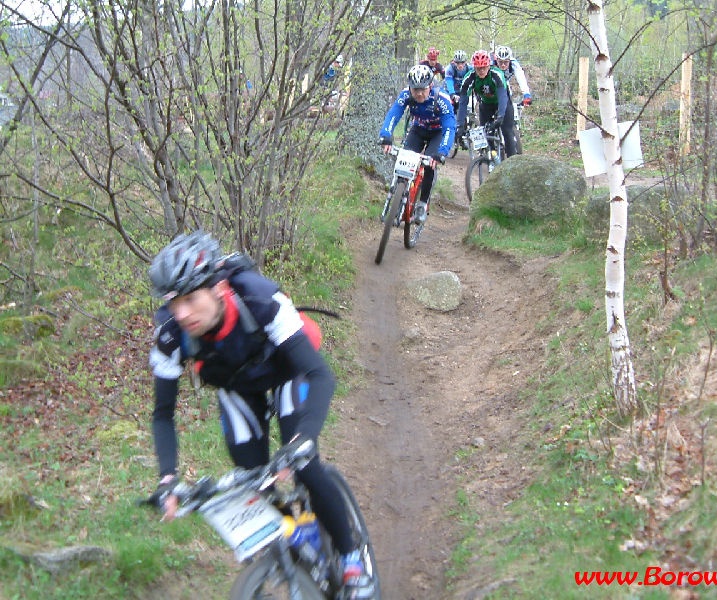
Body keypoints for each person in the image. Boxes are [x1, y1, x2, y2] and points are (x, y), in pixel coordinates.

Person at [146, 231, 374, 599]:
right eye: (175, 303)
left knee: (305, 465)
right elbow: (162, 414)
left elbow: (319, 374)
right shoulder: (171, 336)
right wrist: (167, 479)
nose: (182, 313)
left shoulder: (260, 298)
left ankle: (351, 558)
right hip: (238, 386)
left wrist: (304, 439)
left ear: (218, 288)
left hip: (288, 370)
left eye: (191, 299)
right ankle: (294, 534)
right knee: (252, 480)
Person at [378, 64, 456, 223]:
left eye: (423, 89)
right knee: (404, 159)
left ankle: (422, 203)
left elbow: (449, 126)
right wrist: (386, 135)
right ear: (410, 88)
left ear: (430, 86)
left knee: (429, 164)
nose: (419, 94)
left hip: (438, 133)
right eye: (415, 90)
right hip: (418, 130)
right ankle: (399, 193)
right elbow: (394, 113)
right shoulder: (406, 94)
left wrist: (442, 151)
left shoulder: (442, 98)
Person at [455, 50, 519, 157]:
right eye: (478, 68)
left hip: (502, 103)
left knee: (507, 131)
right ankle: (492, 158)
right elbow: (463, 102)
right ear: (474, 68)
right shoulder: (469, 77)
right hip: (485, 105)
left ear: (489, 66)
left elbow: (503, 96)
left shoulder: (496, 74)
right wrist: (460, 125)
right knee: (485, 132)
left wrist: (501, 116)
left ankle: (512, 163)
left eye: (484, 67)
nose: (481, 71)